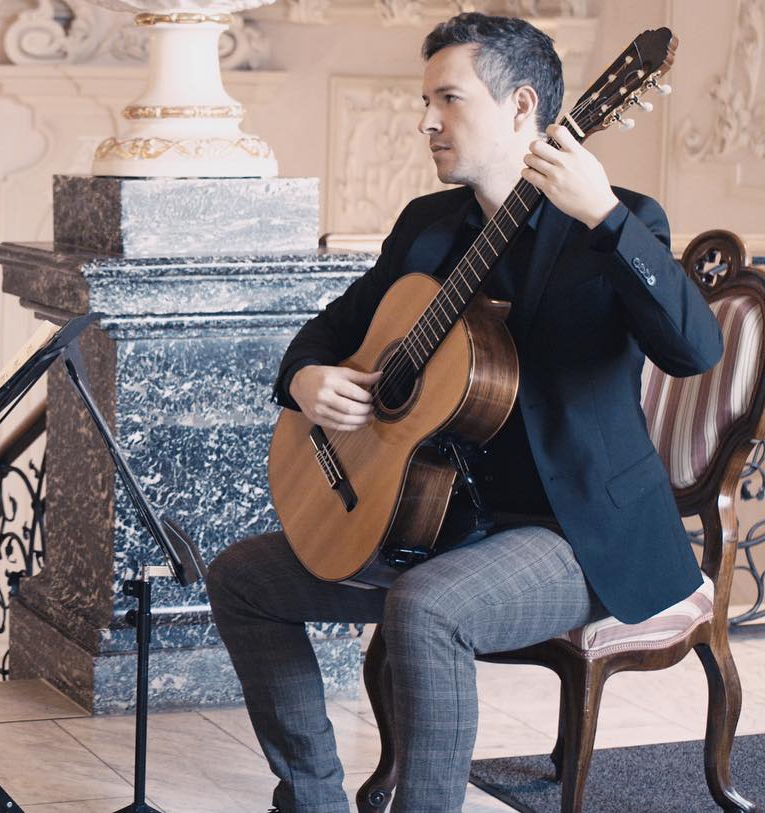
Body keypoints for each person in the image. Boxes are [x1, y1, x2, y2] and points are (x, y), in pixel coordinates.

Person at [207, 12, 722, 812]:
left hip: (569, 532)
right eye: (426, 100)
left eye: (448, 99)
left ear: (523, 109)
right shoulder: (427, 228)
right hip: (425, 522)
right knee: (242, 575)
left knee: (427, 608)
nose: (425, 121)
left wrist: (607, 220)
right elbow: (333, 330)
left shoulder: (618, 223)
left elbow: (696, 351)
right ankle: (311, 799)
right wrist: (305, 378)